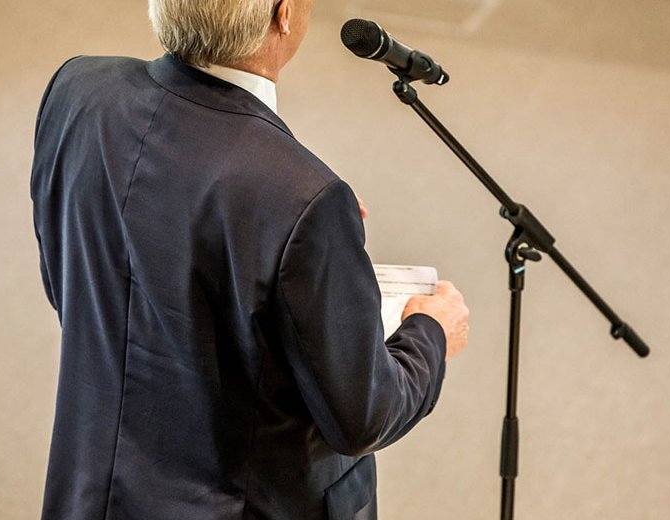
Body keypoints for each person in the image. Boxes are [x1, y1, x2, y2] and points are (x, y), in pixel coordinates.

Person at [30, 0, 469, 518]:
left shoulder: (78, 90)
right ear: (283, 14)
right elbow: (363, 416)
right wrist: (430, 332)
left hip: (92, 493)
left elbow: (73, 286)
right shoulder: (302, 196)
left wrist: (291, 238)